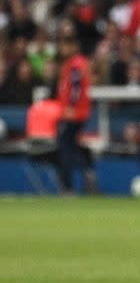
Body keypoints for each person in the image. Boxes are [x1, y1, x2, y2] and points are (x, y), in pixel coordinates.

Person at [53, 35, 97, 194]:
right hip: (78, 113)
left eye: (65, 45)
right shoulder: (77, 63)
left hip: (73, 113)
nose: (62, 49)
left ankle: (68, 187)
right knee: (71, 146)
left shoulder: (75, 65)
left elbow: (76, 87)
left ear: (72, 47)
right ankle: (88, 168)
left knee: (65, 148)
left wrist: (71, 106)